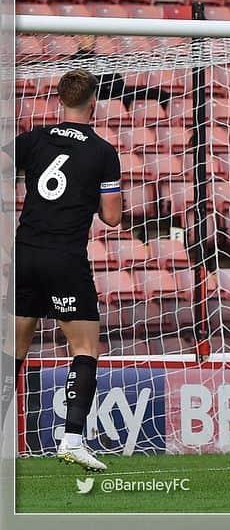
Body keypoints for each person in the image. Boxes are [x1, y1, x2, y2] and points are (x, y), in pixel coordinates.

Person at [10, 68, 123, 471]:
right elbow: (111, 218)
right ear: (93, 103)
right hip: (64, 257)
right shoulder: (102, 152)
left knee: (14, 349)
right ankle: (72, 439)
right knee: (85, 348)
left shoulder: (35, 139)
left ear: (60, 100)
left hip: (25, 251)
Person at [75, 36, 172, 110]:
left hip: (118, 90)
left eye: (92, 37)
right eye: (87, 36)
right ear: (79, 38)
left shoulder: (100, 58)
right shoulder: (74, 61)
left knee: (160, 93)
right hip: (101, 94)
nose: (91, 40)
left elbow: (117, 79)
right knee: (125, 96)